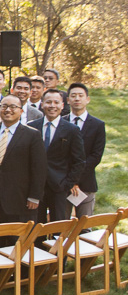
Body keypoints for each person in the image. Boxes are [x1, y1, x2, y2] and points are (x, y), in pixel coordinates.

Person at [0, 95, 46, 226]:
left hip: (20, 198)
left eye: (13, 107)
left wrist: (34, 196)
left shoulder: (32, 135)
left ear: (21, 111)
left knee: (17, 242)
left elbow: (39, 168)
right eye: (4, 106)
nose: (8, 110)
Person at [28, 89, 85, 222]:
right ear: (42, 104)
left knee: (58, 226)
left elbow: (79, 161)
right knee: (36, 227)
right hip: (35, 187)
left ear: (62, 105)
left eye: (56, 102)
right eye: (48, 102)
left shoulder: (72, 130)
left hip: (59, 187)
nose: (52, 105)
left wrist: (67, 183)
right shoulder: (31, 127)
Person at [66, 83, 105, 217]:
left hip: (86, 182)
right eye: (73, 95)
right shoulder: (61, 122)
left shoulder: (97, 125)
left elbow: (96, 156)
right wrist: (69, 181)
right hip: (63, 182)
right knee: (60, 226)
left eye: (80, 95)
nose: (77, 99)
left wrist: (75, 179)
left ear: (87, 99)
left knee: (85, 227)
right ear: (68, 100)